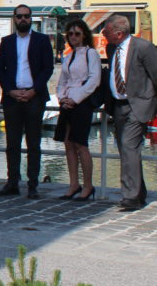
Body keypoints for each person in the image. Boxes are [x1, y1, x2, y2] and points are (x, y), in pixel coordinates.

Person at [0, 5, 54, 199]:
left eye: (26, 16)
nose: (23, 19)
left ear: (31, 18)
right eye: (19, 16)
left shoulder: (42, 40)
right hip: (12, 98)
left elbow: (48, 68)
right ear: (14, 18)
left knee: (33, 142)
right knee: (12, 143)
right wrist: (10, 90)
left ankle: (33, 184)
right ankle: (12, 182)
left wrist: (34, 90)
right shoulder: (7, 41)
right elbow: (0, 69)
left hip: (34, 97)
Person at [102, 14, 157, 211]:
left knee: (128, 145)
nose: (103, 34)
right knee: (126, 149)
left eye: (106, 31)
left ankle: (130, 197)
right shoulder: (111, 48)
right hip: (119, 105)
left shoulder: (144, 47)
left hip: (139, 104)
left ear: (118, 32)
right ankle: (139, 193)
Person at [54, 20, 101, 201]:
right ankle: (74, 183)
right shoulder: (70, 55)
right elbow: (63, 79)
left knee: (81, 144)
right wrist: (62, 97)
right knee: (68, 143)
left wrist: (76, 98)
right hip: (67, 102)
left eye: (77, 33)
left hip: (82, 102)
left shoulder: (91, 54)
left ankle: (88, 185)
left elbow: (94, 80)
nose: (73, 37)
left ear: (84, 35)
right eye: (70, 33)